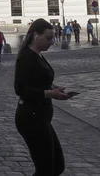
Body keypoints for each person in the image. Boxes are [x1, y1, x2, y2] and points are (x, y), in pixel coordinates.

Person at [15, 18, 73, 176]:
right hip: (30, 118)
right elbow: (20, 89)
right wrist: (49, 94)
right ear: (35, 36)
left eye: (53, 37)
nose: (52, 41)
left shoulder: (38, 55)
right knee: (46, 169)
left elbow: (40, 81)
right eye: (48, 38)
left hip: (40, 117)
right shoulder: (26, 57)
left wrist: (55, 88)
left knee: (56, 166)